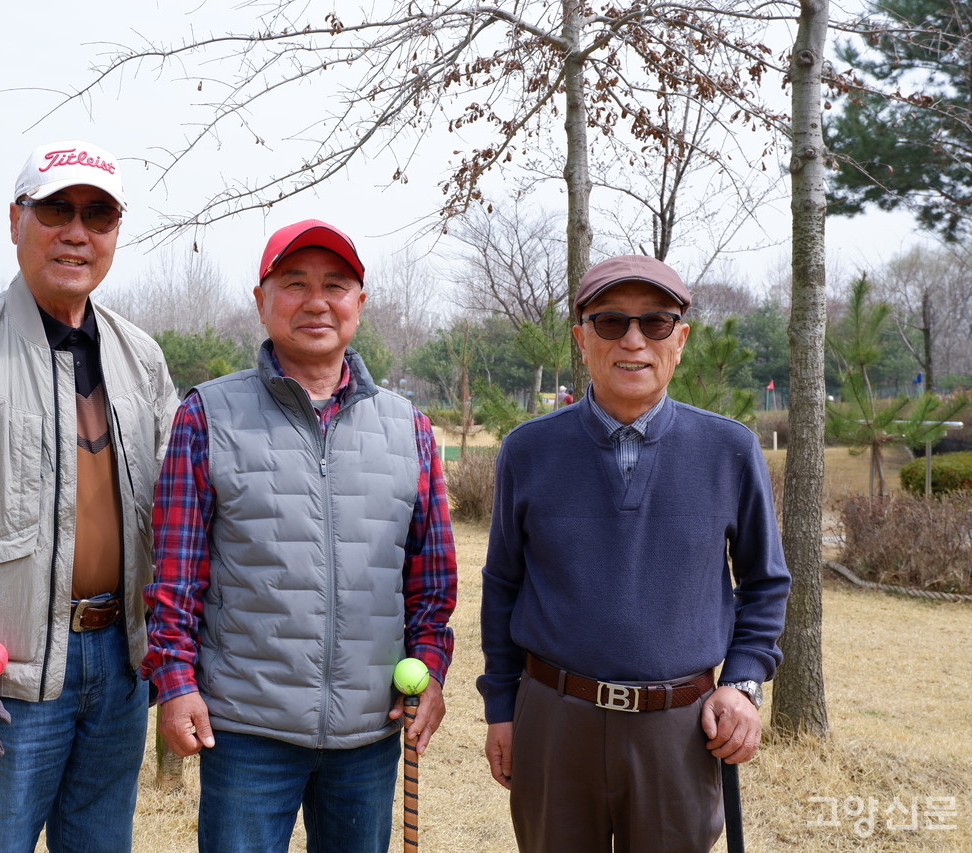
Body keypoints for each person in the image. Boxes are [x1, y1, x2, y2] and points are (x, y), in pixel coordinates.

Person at [0, 140, 178, 853]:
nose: (77, 232)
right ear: (15, 220)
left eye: (98, 215)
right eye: (56, 210)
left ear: (115, 232)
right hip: (2, 677)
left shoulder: (141, 357)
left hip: (121, 667)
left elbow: (178, 508)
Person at [141, 220, 458, 853]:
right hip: (245, 731)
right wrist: (175, 681)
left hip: (369, 732)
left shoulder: (410, 428)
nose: (317, 302)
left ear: (359, 304)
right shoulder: (207, 415)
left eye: (335, 285)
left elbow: (432, 581)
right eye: (294, 284)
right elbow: (175, 574)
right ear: (261, 301)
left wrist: (431, 667)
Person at [478, 255, 791, 852]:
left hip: (681, 727)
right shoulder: (527, 451)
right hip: (553, 719)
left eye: (655, 322)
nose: (633, 340)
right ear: (581, 340)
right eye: (610, 322)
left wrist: (744, 682)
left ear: (681, 340)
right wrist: (501, 707)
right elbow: (503, 586)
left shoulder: (730, 449)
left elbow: (765, 582)